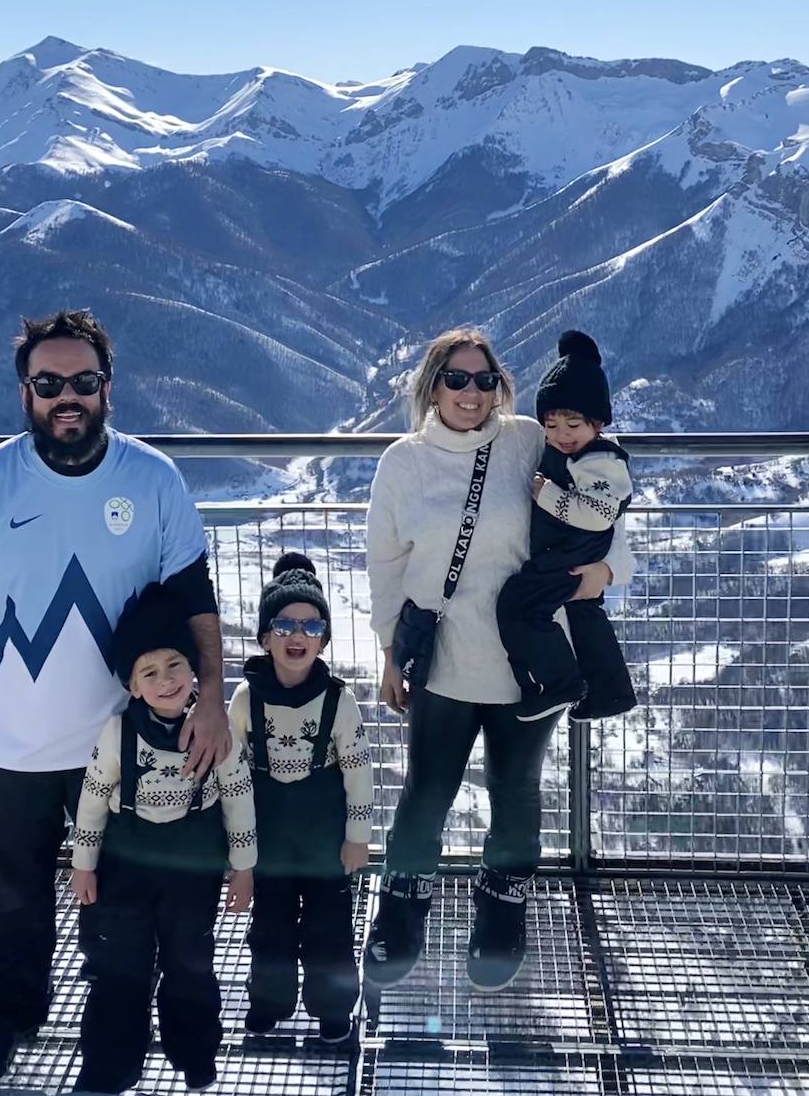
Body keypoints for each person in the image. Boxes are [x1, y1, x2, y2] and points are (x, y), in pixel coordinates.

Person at [0, 309, 231, 1084]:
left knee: (116, 903)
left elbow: (196, 595)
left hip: (120, 742)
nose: (68, 396)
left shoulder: (153, 478)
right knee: (10, 892)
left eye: (83, 382)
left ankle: (111, 1034)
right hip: (8, 737)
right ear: (24, 392)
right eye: (49, 383)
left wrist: (214, 697)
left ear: (108, 387)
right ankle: (5, 1017)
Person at [364, 327, 635, 992]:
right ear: (431, 385)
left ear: (500, 387)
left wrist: (603, 576)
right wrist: (389, 654)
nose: (471, 392)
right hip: (447, 661)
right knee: (426, 792)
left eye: (484, 380)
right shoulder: (402, 463)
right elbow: (384, 568)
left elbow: (605, 529)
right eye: (456, 379)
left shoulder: (529, 442)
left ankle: (501, 910)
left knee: (516, 793)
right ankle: (402, 908)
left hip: (530, 666)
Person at [70, 583, 255, 1094]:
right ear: (132, 685)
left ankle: (194, 1050)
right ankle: (111, 1060)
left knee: (190, 962)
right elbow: (92, 798)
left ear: (193, 668)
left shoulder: (216, 731)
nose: (165, 680)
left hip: (192, 867)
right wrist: (83, 863)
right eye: (148, 672)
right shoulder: (117, 732)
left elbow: (238, 797)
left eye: (174, 664)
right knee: (119, 964)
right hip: (126, 864)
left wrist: (244, 866)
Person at [229, 553, 373, 1046]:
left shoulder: (339, 701)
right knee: (270, 929)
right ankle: (268, 1002)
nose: (298, 634)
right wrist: (239, 853)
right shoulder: (246, 700)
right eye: (285, 623)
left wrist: (358, 839)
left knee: (329, 930)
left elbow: (357, 773)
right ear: (265, 637)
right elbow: (233, 777)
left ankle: (332, 1008)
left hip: (324, 840)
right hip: (269, 839)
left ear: (324, 639)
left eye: (311, 625)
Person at [496, 330, 637, 723]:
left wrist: (546, 495)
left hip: (571, 555)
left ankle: (557, 682)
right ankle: (610, 692)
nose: (561, 436)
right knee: (585, 617)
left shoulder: (602, 461)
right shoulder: (571, 453)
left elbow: (597, 513)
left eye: (573, 425)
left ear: (597, 423)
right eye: (551, 425)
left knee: (519, 605)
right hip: (570, 553)